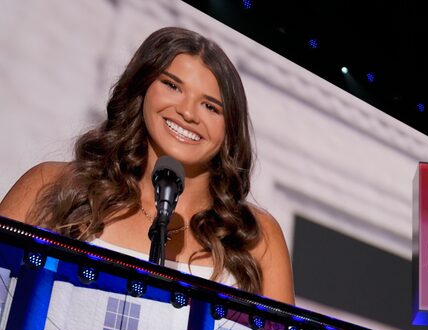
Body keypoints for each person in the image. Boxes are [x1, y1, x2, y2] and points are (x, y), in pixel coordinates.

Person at [0, 27, 294, 304]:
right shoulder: (52, 185)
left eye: (210, 106)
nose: (188, 112)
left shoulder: (256, 235)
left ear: (229, 129)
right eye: (172, 85)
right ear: (142, 89)